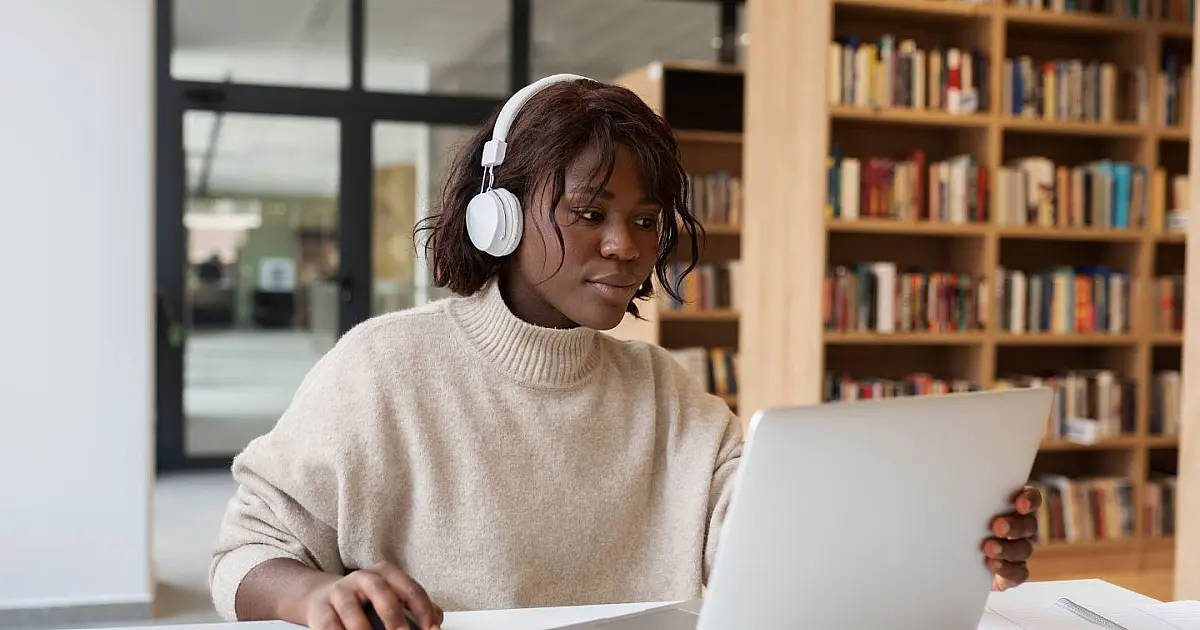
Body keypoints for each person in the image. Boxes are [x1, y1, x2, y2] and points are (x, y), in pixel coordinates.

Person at [208, 75, 1042, 630]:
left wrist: (949, 539)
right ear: (494, 217)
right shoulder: (384, 368)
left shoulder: (671, 394)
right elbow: (243, 552)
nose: (625, 245)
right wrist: (315, 593)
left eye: (646, 221)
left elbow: (766, 548)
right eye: (589, 212)